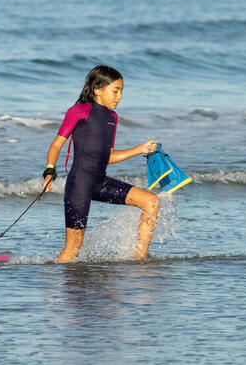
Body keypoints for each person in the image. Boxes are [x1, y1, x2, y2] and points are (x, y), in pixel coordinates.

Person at [42, 65, 160, 262]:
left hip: (100, 183)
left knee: (151, 202)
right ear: (97, 89)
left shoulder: (112, 118)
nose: (120, 96)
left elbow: (109, 156)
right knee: (74, 247)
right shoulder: (78, 111)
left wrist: (139, 149)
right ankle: (59, 285)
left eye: (121, 91)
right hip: (79, 185)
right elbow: (56, 145)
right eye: (115, 91)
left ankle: (140, 260)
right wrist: (49, 171)